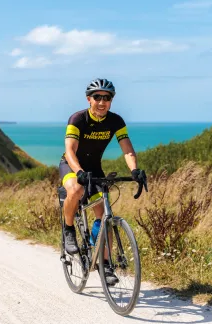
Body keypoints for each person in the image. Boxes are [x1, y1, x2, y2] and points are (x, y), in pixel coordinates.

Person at [59, 78, 147, 285]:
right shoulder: (78, 119)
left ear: (111, 101)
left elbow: (127, 149)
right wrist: (79, 171)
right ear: (89, 99)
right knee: (75, 190)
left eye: (106, 98)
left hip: (95, 169)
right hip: (72, 166)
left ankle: (104, 264)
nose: (101, 101)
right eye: (97, 97)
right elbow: (70, 151)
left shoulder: (116, 121)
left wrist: (135, 170)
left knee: (105, 216)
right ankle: (69, 230)